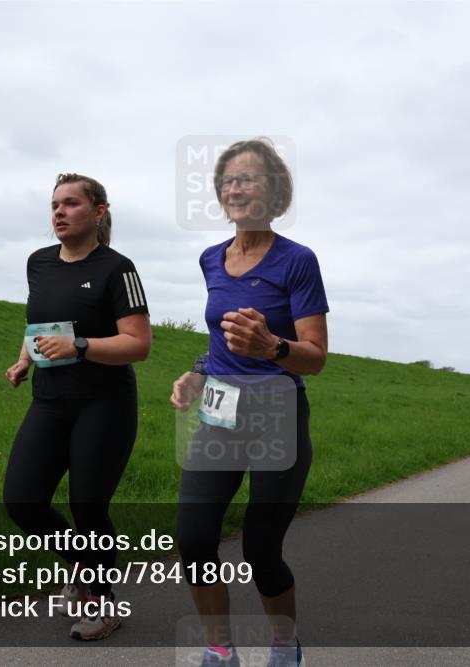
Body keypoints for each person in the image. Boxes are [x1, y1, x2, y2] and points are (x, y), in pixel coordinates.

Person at [170, 138, 328, 667]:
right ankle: (220, 647)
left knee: (261, 549)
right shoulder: (211, 258)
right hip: (220, 408)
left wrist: (273, 347)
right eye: (228, 181)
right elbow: (220, 337)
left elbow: (315, 356)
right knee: (193, 539)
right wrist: (196, 372)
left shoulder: (297, 261)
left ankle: (285, 644)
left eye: (248, 179)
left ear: (274, 190)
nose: (235, 188)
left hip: (276, 411)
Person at [3, 173, 151, 641]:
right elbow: (42, 322)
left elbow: (138, 344)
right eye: (54, 205)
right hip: (49, 402)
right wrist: (26, 357)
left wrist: (80, 346)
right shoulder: (39, 263)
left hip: (104, 405)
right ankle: (85, 570)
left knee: (88, 506)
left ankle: (101, 602)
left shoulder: (118, 269)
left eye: (71, 204)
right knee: (23, 501)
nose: (59, 213)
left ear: (99, 212)